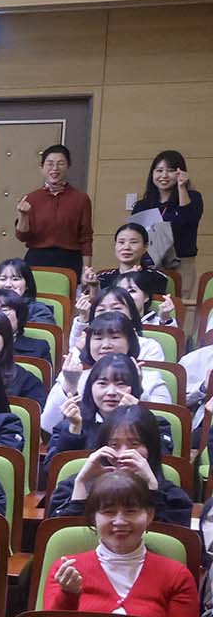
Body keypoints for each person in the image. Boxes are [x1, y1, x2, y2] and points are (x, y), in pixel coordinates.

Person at [44, 469, 196, 617]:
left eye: (131, 511)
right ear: (93, 518)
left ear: (149, 515)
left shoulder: (176, 576)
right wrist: (68, 594)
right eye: (108, 512)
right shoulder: (66, 572)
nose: (120, 521)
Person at [45, 404, 192, 526]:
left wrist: (152, 488)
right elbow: (61, 538)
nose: (123, 454)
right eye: (114, 445)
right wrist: (81, 485)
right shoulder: (71, 487)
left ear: (151, 448)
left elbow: (169, 544)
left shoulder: (173, 498)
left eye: (134, 444)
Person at [43, 308, 171, 430]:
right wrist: (70, 385)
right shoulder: (74, 376)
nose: (105, 345)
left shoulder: (152, 379)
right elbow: (48, 425)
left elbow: (160, 430)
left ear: (131, 341)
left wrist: (139, 389)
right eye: (98, 338)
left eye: (115, 337)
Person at [38, 353, 158, 481]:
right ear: (90, 388)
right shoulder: (70, 424)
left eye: (120, 384)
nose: (111, 392)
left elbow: (161, 466)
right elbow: (52, 470)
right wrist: (74, 430)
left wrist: (135, 420)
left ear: (135, 388)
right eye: (102, 384)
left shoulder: (157, 425)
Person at [16, 143, 93, 275]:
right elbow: (22, 236)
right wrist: (23, 215)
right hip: (37, 259)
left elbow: (86, 238)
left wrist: (86, 271)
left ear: (68, 166)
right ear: (42, 168)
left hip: (70, 261)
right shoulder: (31, 198)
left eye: (60, 163)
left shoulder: (81, 199)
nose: (55, 168)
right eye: (50, 164)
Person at [134, 150, 200, 296]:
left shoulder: (193, 198)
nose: (164, 175)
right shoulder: (142, 205)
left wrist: (182, 188)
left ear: (180, 173)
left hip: (181, 264)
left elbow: (188, 219)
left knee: (177, 306)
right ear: (152, 174)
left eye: (170, 171)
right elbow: (135, 234)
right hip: (149, 263)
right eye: (159, 170)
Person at [90, 222, 169, 300]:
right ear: (115, 246)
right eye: (121, 242)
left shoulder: (156, 277)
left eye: (133, 242)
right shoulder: (103, 278)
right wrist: (93, 288)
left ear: (145, 247)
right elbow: (98, 308)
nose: (126, 247)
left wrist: (127, 277)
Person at [0, 257, 61, 325]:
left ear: (27, 285)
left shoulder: (39, 311)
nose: (8, 285)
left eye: (15, 279)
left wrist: (17, 305)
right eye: (3, 279)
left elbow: (40, 337)